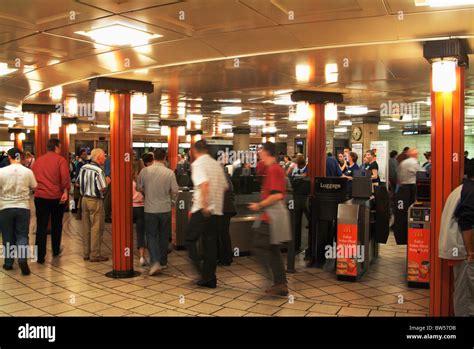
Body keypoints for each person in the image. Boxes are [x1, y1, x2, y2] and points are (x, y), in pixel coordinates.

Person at [249, 142, 291, 296]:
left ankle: (271, 278)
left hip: (271, 217)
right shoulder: (273, 168)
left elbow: (277, 194)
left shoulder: (273, 169)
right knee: (273, 249)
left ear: (266, 152)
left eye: (260, 151)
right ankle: (280, 284)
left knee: (259, 246)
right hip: (271, 215)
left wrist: (259, 205)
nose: (259, 153)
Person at [186, 139, 228, 288]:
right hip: (217, 211)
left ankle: (202, 273)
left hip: (202, 210)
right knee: (210, 244)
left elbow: (204, 184)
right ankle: (209, 278)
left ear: (194, 150)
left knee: (190, 239)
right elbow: (224, 187)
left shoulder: (198, 164)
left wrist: (204, 204)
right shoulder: (216, 165)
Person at [137, 148, 179, 276]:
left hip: (150, 209)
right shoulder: (170, 173)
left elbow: (139, 187)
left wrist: (147, 192)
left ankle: (155, 262)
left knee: (151, 235)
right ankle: (163, 261)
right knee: (164, 236)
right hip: (165, 209)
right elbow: (175, 191)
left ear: (153, 157)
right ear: (165, 157)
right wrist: (172, 202)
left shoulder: (144, 171)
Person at [32, 139, 70, 264]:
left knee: (41, 225)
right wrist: (65, 191)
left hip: (40, 196)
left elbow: (33, 178)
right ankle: (55, 249)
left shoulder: (38, 160)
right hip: (56, 197)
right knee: (56, 224)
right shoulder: (60, 160)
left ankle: (40, 255)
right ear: (56, 147)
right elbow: (64, 178)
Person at [0, 148, 37, 275]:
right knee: (22, 235)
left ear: (9, 157)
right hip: (23, 207)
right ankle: (22, 259)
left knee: (7, 235)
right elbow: (35, 187)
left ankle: (8, 263)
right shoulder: (28, 172)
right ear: (20, 157)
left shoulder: (2, 171)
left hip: (5, 207)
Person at [76, 148, 108, 262]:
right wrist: (108, 181)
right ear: (98, 157)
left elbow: (77, 183)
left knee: (86, 227)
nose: (105, 158)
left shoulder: (84, 167)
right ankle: (95, 254)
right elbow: (103, 188)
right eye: (104, 156)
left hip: (84, 199)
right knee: (96, 227)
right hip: (95, 201)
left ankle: (86, 253)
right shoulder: (98, 170)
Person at [451, 159, 474, 316]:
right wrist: (470, 251)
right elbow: (467, 221)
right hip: (465, 252)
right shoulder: (470, 190)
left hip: (460, 249)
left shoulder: (463, 188)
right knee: (466, 292)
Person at [218, 171, 237, 266]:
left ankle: (226, 258)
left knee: (223, 233)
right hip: (227, 208)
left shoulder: (220, 177)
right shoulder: (225, 176)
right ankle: (226, 257)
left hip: (224, 209)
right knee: (223, 233)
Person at [132, 159, 147, 266]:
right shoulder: (143, 179)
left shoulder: (127, 179)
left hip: (130, 208)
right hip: (142, 208)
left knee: (128, 232)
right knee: (141, 232)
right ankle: (142, 256)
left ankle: (126, 251)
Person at [103, 154, 112, 223]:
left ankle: (107, 215)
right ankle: (106, 216)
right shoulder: (110, 159)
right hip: (110, 180)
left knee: (107, 198)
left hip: (109, 179)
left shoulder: (108, 159)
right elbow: (108, 172)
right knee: (108, 198)